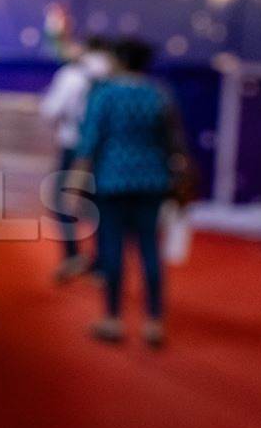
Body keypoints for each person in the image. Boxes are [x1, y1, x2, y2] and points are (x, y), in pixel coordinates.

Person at [69, 39, 186, 348]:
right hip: (153, 181)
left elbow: (89, 141)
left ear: (119, 59)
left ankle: (112, 319)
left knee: (112, 249)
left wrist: (75, 182)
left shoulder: (105, 94)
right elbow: (173, 142)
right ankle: (154, 322)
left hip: (112, 180)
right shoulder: (158, 94)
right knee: (150, 248)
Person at [40, 36, 113, 281]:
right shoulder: (113, 73)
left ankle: (72, 255)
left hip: (74, 146)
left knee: (61, 201)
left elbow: (51, 110)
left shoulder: (71, 74)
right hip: (105, 150)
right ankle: (103, 263)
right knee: (101, 206)